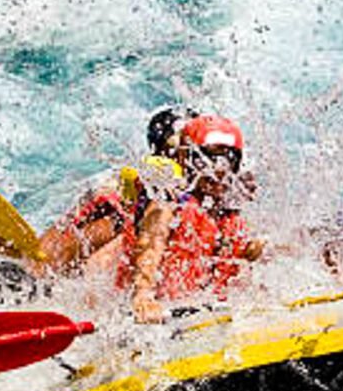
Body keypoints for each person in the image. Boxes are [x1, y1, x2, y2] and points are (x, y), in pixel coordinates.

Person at [120, 114, 265, 323]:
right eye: (207, 159)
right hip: (160, 317)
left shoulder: (231, 215)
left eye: (228, 159)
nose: (219, 169)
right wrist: (143, 296)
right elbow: (151, 244)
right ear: (185, 159)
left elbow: (258, 250)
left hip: (207, 313)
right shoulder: (167, 203)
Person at [35, 105, 196, 277]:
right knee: (113, 211)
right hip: (119, 249)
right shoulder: (149, 175)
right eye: (183, 150)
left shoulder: (217, 185)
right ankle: (41, 267)